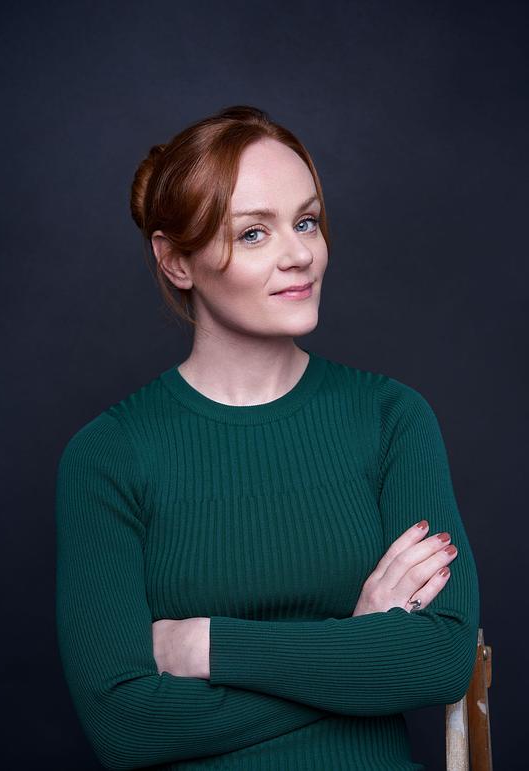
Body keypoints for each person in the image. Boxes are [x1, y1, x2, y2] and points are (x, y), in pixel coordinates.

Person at [55, 104, 480, 770]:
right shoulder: (108, 456)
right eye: (254, 233)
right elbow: (125, 725)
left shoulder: (391, 417)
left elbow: (442, 658)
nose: (301, 254)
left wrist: (209, 646)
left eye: (306, 221)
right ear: (177, 262)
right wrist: (357, 647)